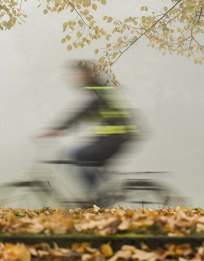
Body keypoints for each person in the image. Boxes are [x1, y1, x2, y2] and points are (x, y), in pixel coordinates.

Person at [36, 61, 138, 205]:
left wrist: (57, 129)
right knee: (85, 159)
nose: (75, 79)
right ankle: (98, 195)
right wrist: (61, 128)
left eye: (79, 75)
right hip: (115, 139)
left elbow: (82, 113)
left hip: (116, 139)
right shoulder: (98, 91)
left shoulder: (99, 92)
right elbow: (84, 114)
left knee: (78, 155)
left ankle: (95, 196)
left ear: (88, 75)